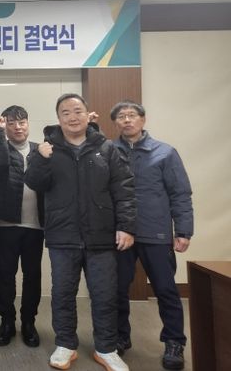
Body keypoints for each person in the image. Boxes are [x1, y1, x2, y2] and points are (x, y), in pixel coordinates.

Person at [24, 93, 136, 371]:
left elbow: (124, 190)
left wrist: (125, 226)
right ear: (58, 118)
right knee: (62, 293)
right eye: (65, 113)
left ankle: (106, 348)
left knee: (105, 294)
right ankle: (65, 344)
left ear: (88, 115)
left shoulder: (107, 149)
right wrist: (41, 158)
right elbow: (34, 182)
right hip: (62, 236)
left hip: (102, 236)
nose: (72, 117)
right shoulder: (48, 149)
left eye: (77, 111)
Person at [111, 101, 193, 371]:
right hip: (121, 233)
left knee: (166, 290)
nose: (126, 120)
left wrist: (183, 230)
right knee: (117, 289)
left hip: (156, 232)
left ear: (143, 119)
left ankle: (174, 342)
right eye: (121, 117)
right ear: (115, 123)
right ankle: (120, 337)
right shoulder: (109, 151)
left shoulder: (165, 153)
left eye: (131, 115)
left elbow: (180, 193)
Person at [0, 105, 44, 348]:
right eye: (11, 123)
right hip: (7, 224)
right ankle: (7, 322)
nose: (17, 127)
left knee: (32, 277)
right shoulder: (1, 149)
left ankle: (29, 322)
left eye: (21, 122)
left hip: (35, 226)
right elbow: (1, 163)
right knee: (6, 276)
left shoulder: (40, 150)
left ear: (28, 124)